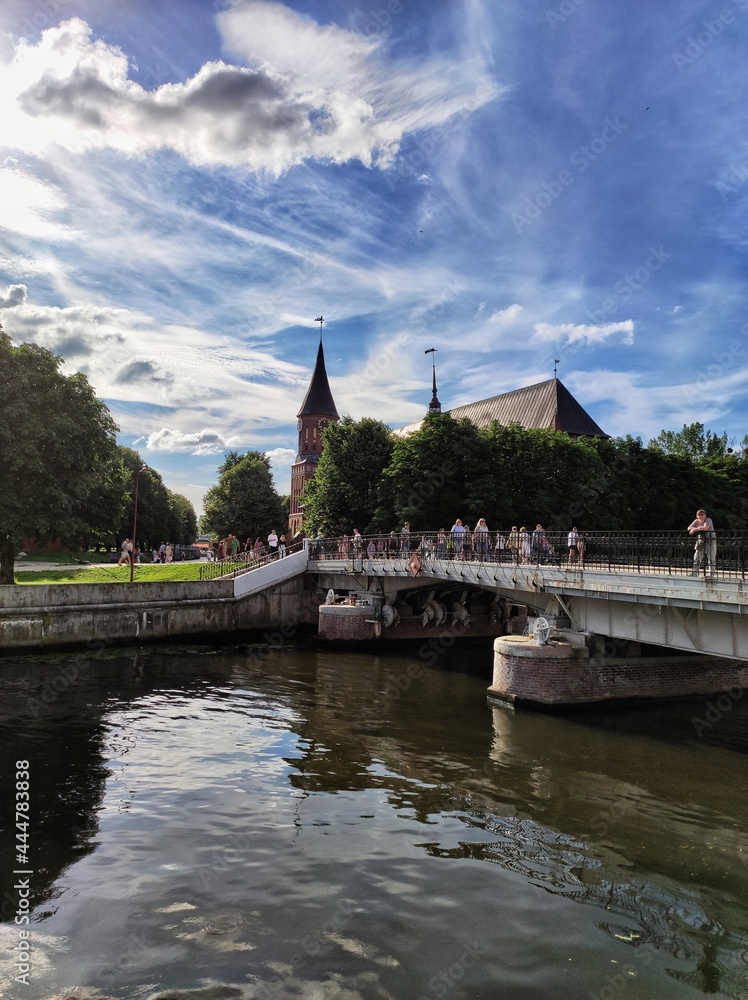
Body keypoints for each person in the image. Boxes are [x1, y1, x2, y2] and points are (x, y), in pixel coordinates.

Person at [688, 509, 716, 577]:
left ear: (705, 515)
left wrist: (694, 529)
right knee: (697, 557)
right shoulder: (696, 521)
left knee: (711, 557)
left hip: (710, 540)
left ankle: (711, 573)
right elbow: (689, 528)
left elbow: (706, 528)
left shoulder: (708, 520)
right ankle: (694, 573)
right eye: (699, 515)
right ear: (697, 516)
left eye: (702, 514)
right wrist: (698, 528)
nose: (701, 516)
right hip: (701, 541)